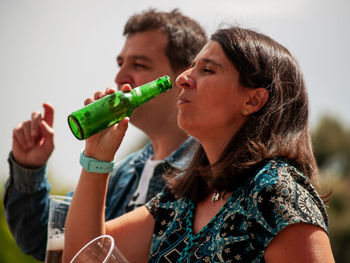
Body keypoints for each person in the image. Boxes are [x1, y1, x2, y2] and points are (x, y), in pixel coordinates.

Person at [63, 26, 335, 262]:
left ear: (252, 100)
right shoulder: (180, 200)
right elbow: (83, 256)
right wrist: (96, 157)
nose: (182, 78)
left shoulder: (276, 192)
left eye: (207, 69)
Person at [3, 9, 207, 261]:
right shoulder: (122, 171)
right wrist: (29, 168)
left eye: (139, 64)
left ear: (184, 77)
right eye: (121, 63)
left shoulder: (209, 173)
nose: (120, 77)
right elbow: (45, 239)